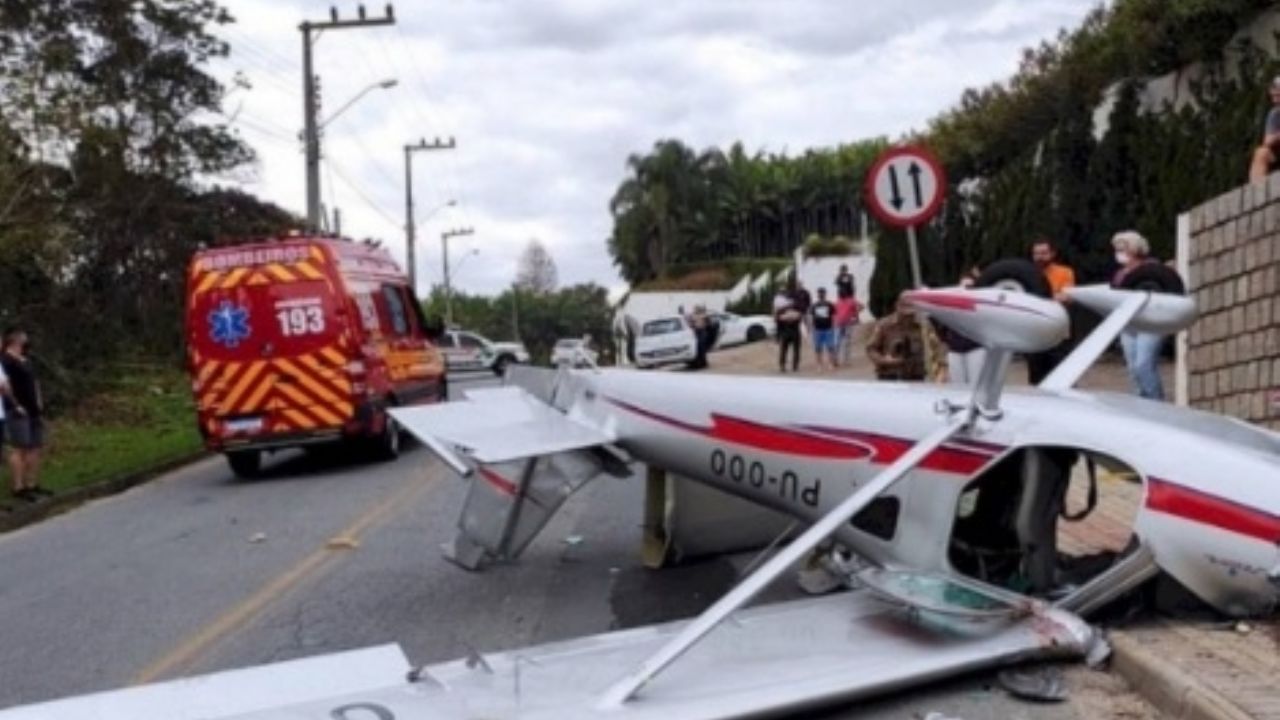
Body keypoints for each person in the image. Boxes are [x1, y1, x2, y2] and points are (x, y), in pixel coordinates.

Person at [1111, 230, 1166, 400]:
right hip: (1129, 325)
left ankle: (1156, 403)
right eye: (1117, 249)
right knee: (1133, 369)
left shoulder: (1154, 269)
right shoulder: (1120, 275)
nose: (1119, 253)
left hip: (1151, 322)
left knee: (1144, 364)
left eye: (1123, 248)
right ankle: (1140, 402)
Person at [1, 328, 48, 501]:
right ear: (16, 341)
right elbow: (6, 386)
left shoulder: (26, 360)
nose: (27, 343)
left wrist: (39, 401)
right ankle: (18, 487)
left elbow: (35, 381)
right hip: (17, 410)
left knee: (35, 446)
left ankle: (32, 484)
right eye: (24, 340)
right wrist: (16, 405)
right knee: (19, 447)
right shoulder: (6, 361)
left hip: (33, 408)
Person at [1026, 238, 1076, 385]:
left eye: (1044, 253)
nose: (1040, 257)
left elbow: (1067, 296)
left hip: (1058, 332)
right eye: (1036, 253)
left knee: (1061, 374)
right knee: (1036, 377)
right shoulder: (1027, 273)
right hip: (1034, 333)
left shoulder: (1065, 272)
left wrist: (1039, 299)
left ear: (1052, 253)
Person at [866, 294, 942, 381]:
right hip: (890, 374)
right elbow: (871, 348)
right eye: (904, 314)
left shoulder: (923, 325)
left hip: (915, 375)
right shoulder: (884, 325)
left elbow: (936, 347)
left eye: (911, 314)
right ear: (897, 306)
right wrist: (884, 360)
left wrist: (939, 368)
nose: (908, 317)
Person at [936, 269, 987, 385]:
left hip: (975, 349)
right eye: (963, 286)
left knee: (976, 383)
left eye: (970, 286)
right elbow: (943, 326)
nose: (966, 290)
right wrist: (947, 341)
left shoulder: (981, 305)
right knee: (957, 386)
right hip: (955, 351)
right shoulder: (952, 307)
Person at [1249, 76, 1280, 183]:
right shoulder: (1275, 114)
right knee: (1261, 153)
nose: (1273, 94)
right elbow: (1268, 141)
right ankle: (1257, 193)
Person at [774, 283, 803, 372]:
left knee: (796, 349)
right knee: (784, 349)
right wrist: (789, 317)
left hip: (795, 330)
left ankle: (795, 365)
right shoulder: (781, 309)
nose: (790, 302)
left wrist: (788, 317)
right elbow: (778, 319)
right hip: (785, 331)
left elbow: (799, 317)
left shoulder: (798, 307)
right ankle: (782, 366)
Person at [809, 288, 838, 371]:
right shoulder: (814, 306)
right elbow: (811, 317)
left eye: (822, 293)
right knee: (818, 348)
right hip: (817, 329)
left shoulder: (830, 305)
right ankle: (819, 365)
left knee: (830, 347)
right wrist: (811, 327)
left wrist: (834, 325)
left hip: (828, 328)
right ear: (817, 295)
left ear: (825, 294)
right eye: (819, 293)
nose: (821, 295)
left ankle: (831, 364)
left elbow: (834, 316)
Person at [834, 290, 861, 367]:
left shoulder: (851, 301)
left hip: (847, 324)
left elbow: (861, 306)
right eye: (840, 293)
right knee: (837, 342)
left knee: (846, 342)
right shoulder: (837, 302)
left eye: (842, 293)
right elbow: (834, 313)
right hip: (839, 324)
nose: (841, 294)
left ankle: (846, 360)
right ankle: (836, 360)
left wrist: (855, 314)